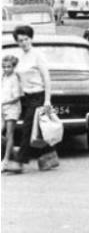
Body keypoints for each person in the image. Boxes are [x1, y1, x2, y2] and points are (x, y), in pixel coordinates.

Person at [8, 25, 56, 173]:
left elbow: (46, 78)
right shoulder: (20, 57)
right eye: (20, 40)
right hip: (26, 97)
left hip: (38, 96)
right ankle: (50, 156)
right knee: (38, 129)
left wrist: (47, 100)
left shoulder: (38, 55)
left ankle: (19, 162)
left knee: (27, 128)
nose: (24, 43)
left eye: (26, 39)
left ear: (31, 38)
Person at [1, 54, 21, 172]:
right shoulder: (3, 77)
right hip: (2, 108)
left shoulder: (14, 78)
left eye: (9, 67)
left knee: (9, 134)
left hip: (12, 108)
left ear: (13, 67)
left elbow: (16, 97)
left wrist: (4, 102)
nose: (6, 69)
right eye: (4, 67)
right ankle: (13, 153)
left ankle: (6, 160)